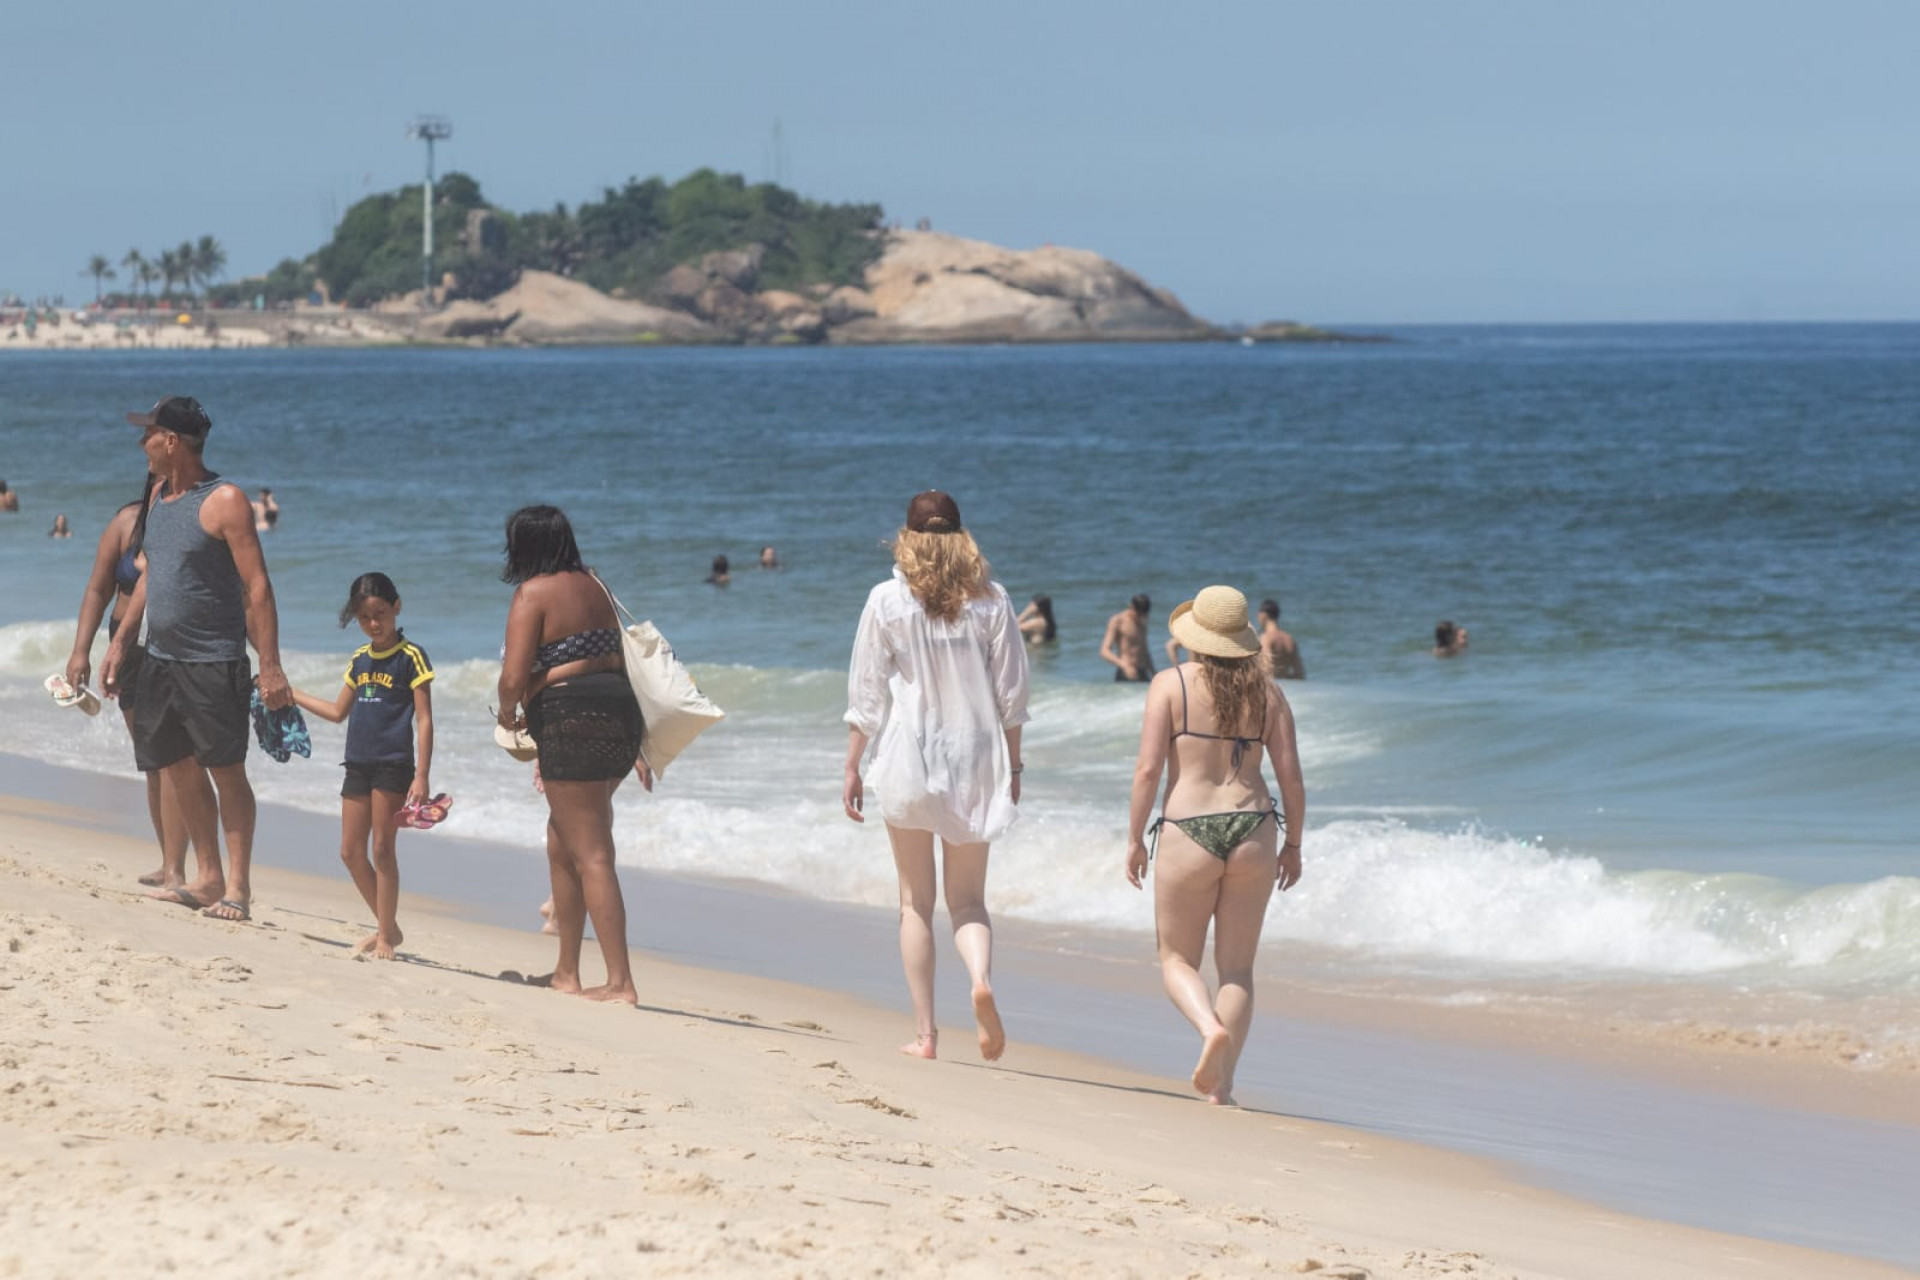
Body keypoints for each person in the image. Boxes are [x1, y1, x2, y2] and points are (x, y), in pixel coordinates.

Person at [844, 490, 1030, 1061]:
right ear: (961, 536)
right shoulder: (992, 600)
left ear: (907, 536)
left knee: (914, 903)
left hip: (908, 757)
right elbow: (1012, 696)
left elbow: (868, 694)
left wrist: (852, 763)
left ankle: (926, 1035)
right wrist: (1015, 764)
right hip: (975, 758)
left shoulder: (886, 600)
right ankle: (980, 980)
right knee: (969, 902)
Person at [102, 395, 292, 923]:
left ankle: (237, 887)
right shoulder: (160, 496)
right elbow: (153, 576)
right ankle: (207, 877)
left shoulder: (224, 500)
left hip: (213, 660)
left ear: (171, 441)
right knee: (175, 764)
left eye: (149, 434)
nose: (141, 443)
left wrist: (270, 665)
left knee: (225, 771)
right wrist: (120, 641)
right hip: (160, 659)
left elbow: (258, 586)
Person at [1125, 586, 1304, 1107]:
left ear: (1197, 636)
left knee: (1177, 959)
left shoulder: (1170, 684)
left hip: (1190, 828)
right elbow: (1291, 779)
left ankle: (1208, 1029)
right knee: (1238, 970)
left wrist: (1135, 838)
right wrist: (1293, 844)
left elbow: (1147, 769)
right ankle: (1222, 1089)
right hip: (1254, 827)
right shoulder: (1270, 694)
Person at [496, 505, 649, 1004]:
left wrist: (506, 715)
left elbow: (513, 677)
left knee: (593, 855)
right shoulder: (595, 585)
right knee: (562, 842)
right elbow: (609, 655)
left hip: (570, 722)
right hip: (621, 717)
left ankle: (621, 983)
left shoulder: (533, 593)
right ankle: (566, 972)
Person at [290, 573, 435, 960]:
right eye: (365, 617)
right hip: (357, 763)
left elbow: (424, 719)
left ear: (396, 607)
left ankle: (385, 937)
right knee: (350, 851)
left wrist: (421, 775)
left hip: (393, 765)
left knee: (383, 849)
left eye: (380, 614)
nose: (374, 623)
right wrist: (292, 694)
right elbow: (338, 713)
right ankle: (390, 927)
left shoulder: (411, 657)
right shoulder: (359, 659)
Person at [63, 472, 186, 890]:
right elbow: (98, 590)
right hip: (130, 652)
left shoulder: (194, 524)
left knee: (175, 761)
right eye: (159, 482)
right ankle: (170, 859)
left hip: (176, 652)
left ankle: (179, 867)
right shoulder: (125, 524)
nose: (166, 489)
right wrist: (81, 650)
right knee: (153, 761)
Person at [1100, 593, 1155, 682]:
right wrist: (1124, 665)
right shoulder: (1118, 620)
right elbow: (1104, 651)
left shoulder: (1144, 621)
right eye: (1138, 614)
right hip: (1125, 672)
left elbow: (1144, 650)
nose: (1141, 617)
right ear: (1131, 607)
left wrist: (1153, 672)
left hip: (1143, 671)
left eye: (1143, 615)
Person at [1257, 599, 1305, 680]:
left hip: (1271, 688)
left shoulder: (1265, 638)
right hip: (1287, 688)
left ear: (1263, 615)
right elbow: (1300, 673)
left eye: (1258, 613)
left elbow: (1267, 668)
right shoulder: (1289, 639)